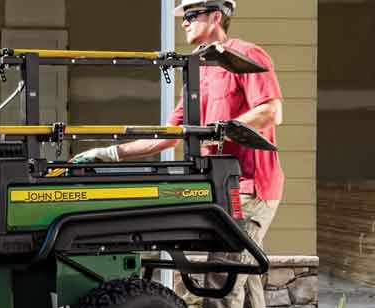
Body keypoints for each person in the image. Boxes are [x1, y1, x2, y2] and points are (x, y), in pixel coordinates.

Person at [72, 1, 284, 307]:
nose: (184, 22)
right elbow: (168, 136)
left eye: (191, 15)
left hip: (250, 186)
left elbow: (271, 111)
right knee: (245, 275)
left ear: (216, 16)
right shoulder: (197, 70)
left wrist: (218, 129)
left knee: (222, 275)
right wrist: (109, 153)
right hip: (221, 185)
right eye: (183, 17)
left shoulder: (244, 55)